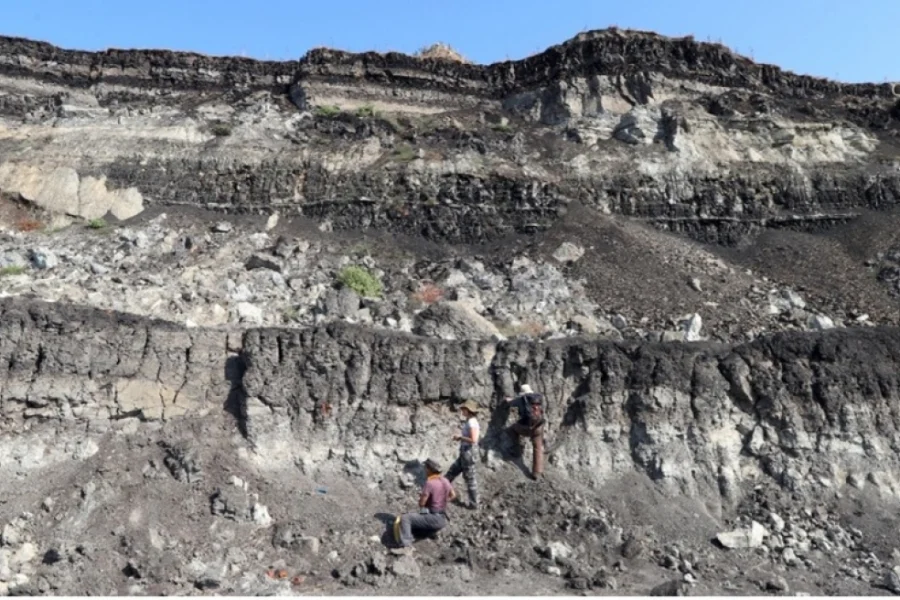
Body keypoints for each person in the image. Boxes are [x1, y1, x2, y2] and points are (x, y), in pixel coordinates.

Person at [392, 458, 455, 553]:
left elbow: (422, 503)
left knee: (406, 518)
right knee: (419, 523)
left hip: (434, 518)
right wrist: (441, 501)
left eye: (426, 467)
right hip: (442, 519)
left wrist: (424, 503)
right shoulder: (445, 480)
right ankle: (428, 533)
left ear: (429, 469)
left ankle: (406, 546)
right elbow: (453, 495)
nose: (425, 469)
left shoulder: (430, 483)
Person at [505, 383, 546, 479]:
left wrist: (509, 401)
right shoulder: (537, 399)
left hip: (526, 428)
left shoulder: (519, 401)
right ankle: (537, 473)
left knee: (512, 429)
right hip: (538, 427)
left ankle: (517, 450)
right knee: (538, 447)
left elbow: (512, 411)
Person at [445, 399, 480, 509]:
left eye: (464, 409)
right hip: (465, 453)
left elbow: (473, 439)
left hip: (468, 453)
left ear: (468, 410)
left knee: (470, 478)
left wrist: (460, 437)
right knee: (451, 472)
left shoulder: (472, 422)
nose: (462, 411)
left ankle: (474, 504)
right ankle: (441, 492)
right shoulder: (470, 421)